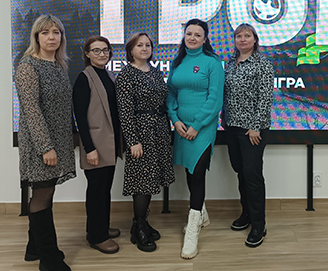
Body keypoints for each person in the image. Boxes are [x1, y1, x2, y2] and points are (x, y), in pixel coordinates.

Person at [15, 15, 75, 271]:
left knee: (47, 192)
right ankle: (49, 259)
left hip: (58, 141)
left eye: (56, 32)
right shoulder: (28, 66)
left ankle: (34, 248)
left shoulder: (59, 64)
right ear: (36, 37)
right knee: (42, 194)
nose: (51, 37)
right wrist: (45, 147)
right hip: (40, 144)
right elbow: (31, 111)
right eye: (45, 32)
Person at [166, 19, 225, 259]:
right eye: (188, 33)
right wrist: (175, 120)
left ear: (205, 38)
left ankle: (192, 231)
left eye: (197, 35)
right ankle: (202, 215)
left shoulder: (212, 62)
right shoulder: (177, 62)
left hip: (203, 128)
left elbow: (215, 100)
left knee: (198, 173)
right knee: (190, 172)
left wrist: (197, 125)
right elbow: (171, 94)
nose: (192, 38)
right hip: (181, 127)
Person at [115, 32, 175, 252]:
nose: (144, 48)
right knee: (141, 180)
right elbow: (125, 112)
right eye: (139, 45)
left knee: (151, 179)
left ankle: (140, 223)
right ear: (130, 49)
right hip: (140, 134)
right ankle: (139, 227)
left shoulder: (155, 71)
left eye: (148, 45)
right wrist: (133, 141)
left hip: (159, 131)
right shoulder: (126, 75)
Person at [221, 23, 274, 248]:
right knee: (240, 172)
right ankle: (247, 214)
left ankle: (259, 224)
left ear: (255, 39)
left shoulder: (262, 63)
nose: (242, 39)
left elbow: (265, 97)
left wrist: (256, 126)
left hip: (252, 130)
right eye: (238, 36)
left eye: (247, 35)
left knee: (252, 176)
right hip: (231, 127)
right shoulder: (230, 63)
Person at [73, 36, 123, 254]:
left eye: (105, 50)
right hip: (95, 144)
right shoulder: (84, 78)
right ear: (87, 53)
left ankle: (100, 227)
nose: (102, 54)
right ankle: (97, 237)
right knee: (96, 191)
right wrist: (89, 148)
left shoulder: (108, 75)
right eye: (96, 50)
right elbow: (80, 118)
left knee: (104, 189)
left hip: (109, 143)